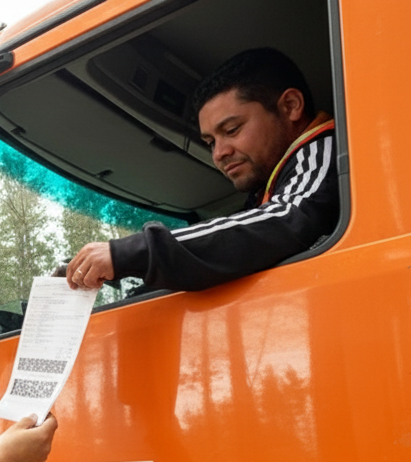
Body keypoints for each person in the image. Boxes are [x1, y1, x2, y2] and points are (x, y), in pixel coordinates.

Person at [65, 47, 338, 293]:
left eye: (231, 130)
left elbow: (284, 221)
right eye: (210, 142)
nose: (219, 153)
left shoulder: (324, 152)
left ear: (290, 106)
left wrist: (127, 253)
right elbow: (232, 242)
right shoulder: (268, 188)